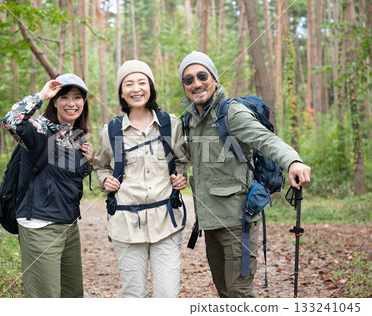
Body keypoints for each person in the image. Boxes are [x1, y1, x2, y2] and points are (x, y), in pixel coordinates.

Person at [178, 51, 312, 298]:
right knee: (225, 294)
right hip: (210, 223)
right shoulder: (190, 120)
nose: (196, 83)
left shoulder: (232, 113)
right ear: (184, 87)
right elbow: (183, 155)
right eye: (188, 80)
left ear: (214, 78)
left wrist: (292, 161)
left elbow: (266, 140)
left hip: (239, 223)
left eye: (201, 76)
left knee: (239, 295)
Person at [94, 60, 189, 298]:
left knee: (167, 296)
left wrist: (181, 177)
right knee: (134, 295)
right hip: (126, 223)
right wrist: (105, 181)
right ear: (121, 92)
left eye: (141, 82)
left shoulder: (170, 124)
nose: (136, 89)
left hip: (166, 221)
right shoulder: (111, 131)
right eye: (129, 84)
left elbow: (183, 160)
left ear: (150, 87)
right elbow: (100, 166)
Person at [2, 73, 95, 298]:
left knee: (71, 295)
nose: (71, 104)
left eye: (77, 97)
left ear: (84, 102)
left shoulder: (76, 136)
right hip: (40, 225)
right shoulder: (41, 128)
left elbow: (64, 181)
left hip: (68, 226)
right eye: (64, 97)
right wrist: (41, 94)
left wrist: (89, 162)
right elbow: (11, 120)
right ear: (55, 101)